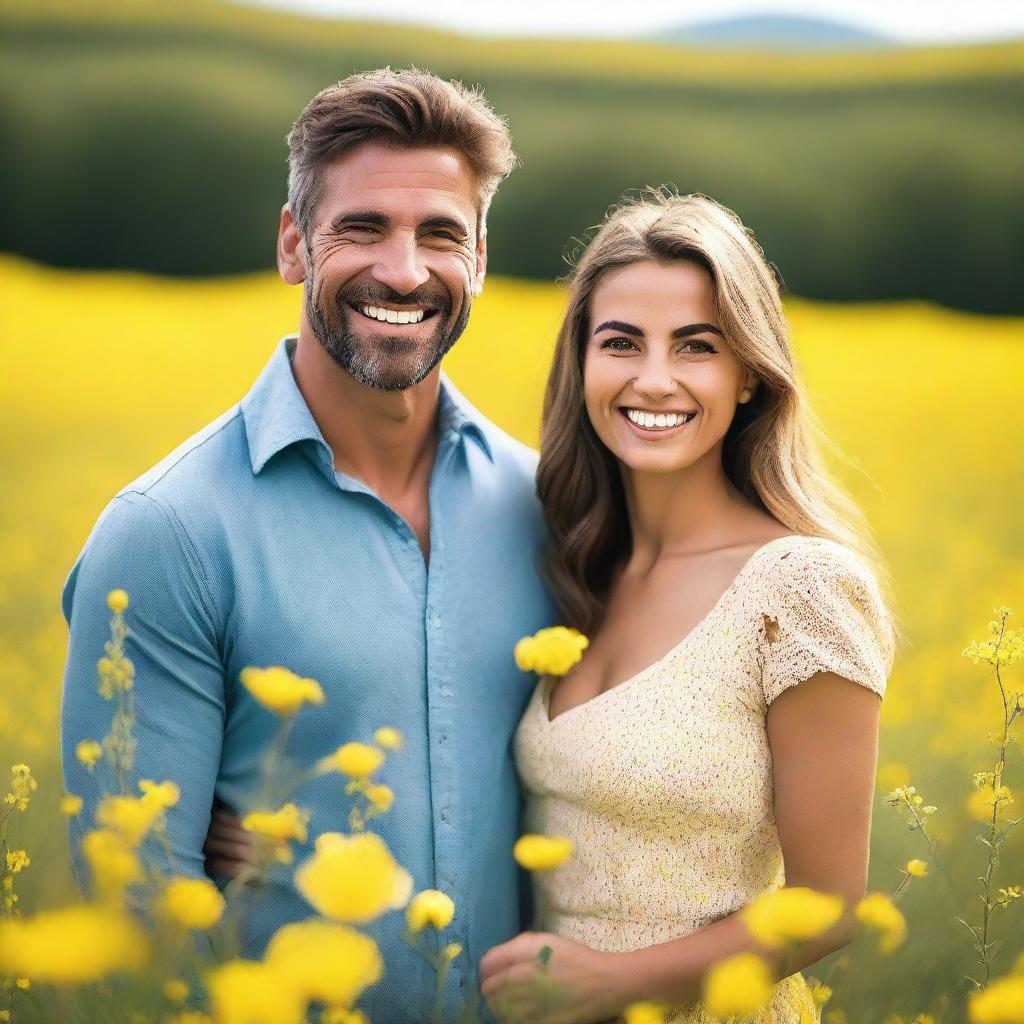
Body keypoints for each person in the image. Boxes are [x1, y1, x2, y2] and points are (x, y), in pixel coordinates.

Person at [60, 68, 557, 1023]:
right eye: (362, 228)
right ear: (294, 245)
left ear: (481, 258)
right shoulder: (168, 531)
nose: (405, 271)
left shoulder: (545, 504)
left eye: (441, 234)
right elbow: (138, 904)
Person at [476, 192, 895, 1022]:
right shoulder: (574, 566)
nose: (653, 379)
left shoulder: (800, 586)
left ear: (748, 374)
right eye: (620, 343)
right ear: (583, 366)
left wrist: (614, 981)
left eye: (696, 347)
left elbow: (830, 906)